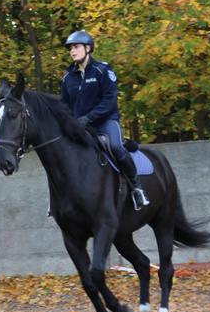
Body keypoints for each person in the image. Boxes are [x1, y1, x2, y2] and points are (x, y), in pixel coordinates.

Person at [61, 30, 150, 210]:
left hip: (105, 122)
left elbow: (109, 101)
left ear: (88, 48)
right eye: (71, 48)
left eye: (76, 47)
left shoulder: (103, 70)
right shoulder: (67, 78)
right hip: (80, 126)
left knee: (116, 147)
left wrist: (89, 118)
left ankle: (137, 188)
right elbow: (65, 105)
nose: (72, 51)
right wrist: (69, 123)